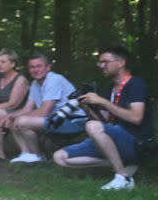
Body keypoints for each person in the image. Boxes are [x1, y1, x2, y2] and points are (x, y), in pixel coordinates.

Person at [53, 46, 153, 190]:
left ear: (121, 63)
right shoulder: (110, 88)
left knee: (92, 126)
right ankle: (122, 163)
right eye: (100, 62)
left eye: (105, 62)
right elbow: (103, 121)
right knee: (60, 157)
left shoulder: (136, 84)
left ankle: (123, 177)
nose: (101, 66)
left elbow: (136, 117)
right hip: (114, 139)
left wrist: (102, 101)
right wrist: (85, 106)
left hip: (136, 141)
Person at [1, 53, 85, 164]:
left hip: (72, 120)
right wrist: (10, 116)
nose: (36, 70)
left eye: (39, 66)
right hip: (55, 119)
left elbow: (45, 110)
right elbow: (27, 108)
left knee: (22, 121)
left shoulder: (54, 79)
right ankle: (28, 154)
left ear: (48, 67)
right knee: (14, 120)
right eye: (32, 67)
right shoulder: (35, 84)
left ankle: (38, 156)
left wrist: (19, 118)